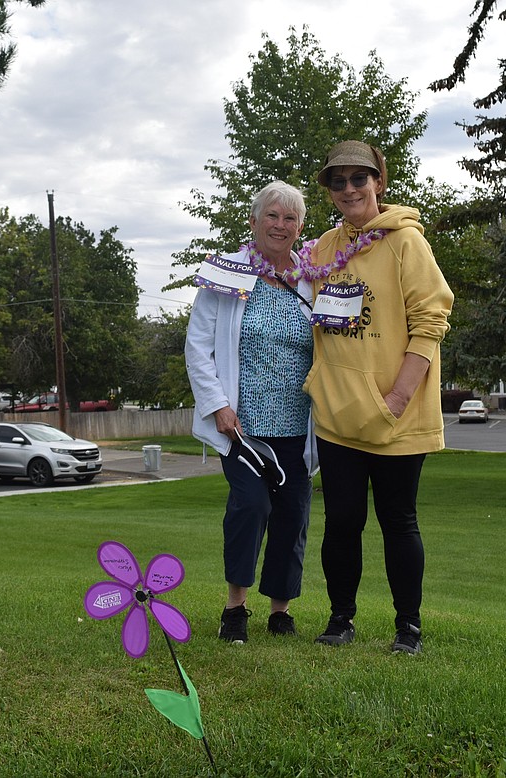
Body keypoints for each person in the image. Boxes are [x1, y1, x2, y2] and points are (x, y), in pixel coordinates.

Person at [303, 141, 454, 655]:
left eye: (358, 179)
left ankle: (407, 628)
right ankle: (340, 619)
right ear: (328, 190)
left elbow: (431, 322)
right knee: (342, 521)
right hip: (338, 417)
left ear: (379, 181)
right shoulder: (323, 248)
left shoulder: (407, 242)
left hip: (396, 416)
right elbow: (285, 281)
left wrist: (397, 398)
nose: (349, 189)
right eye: (337, 181)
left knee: (398, 522)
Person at [185, 181, 318, 643]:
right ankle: (235, 608)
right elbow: (198, 347)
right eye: (272, 216)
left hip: (298, 427)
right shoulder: (226, 275)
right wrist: (218, 404)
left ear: (300, 227)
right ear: (253, 221)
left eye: (290, 218)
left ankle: (280, 610)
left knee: (292, 515)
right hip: (241, 427)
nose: (280, 226)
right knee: (251, 505)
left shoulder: (314, 279)